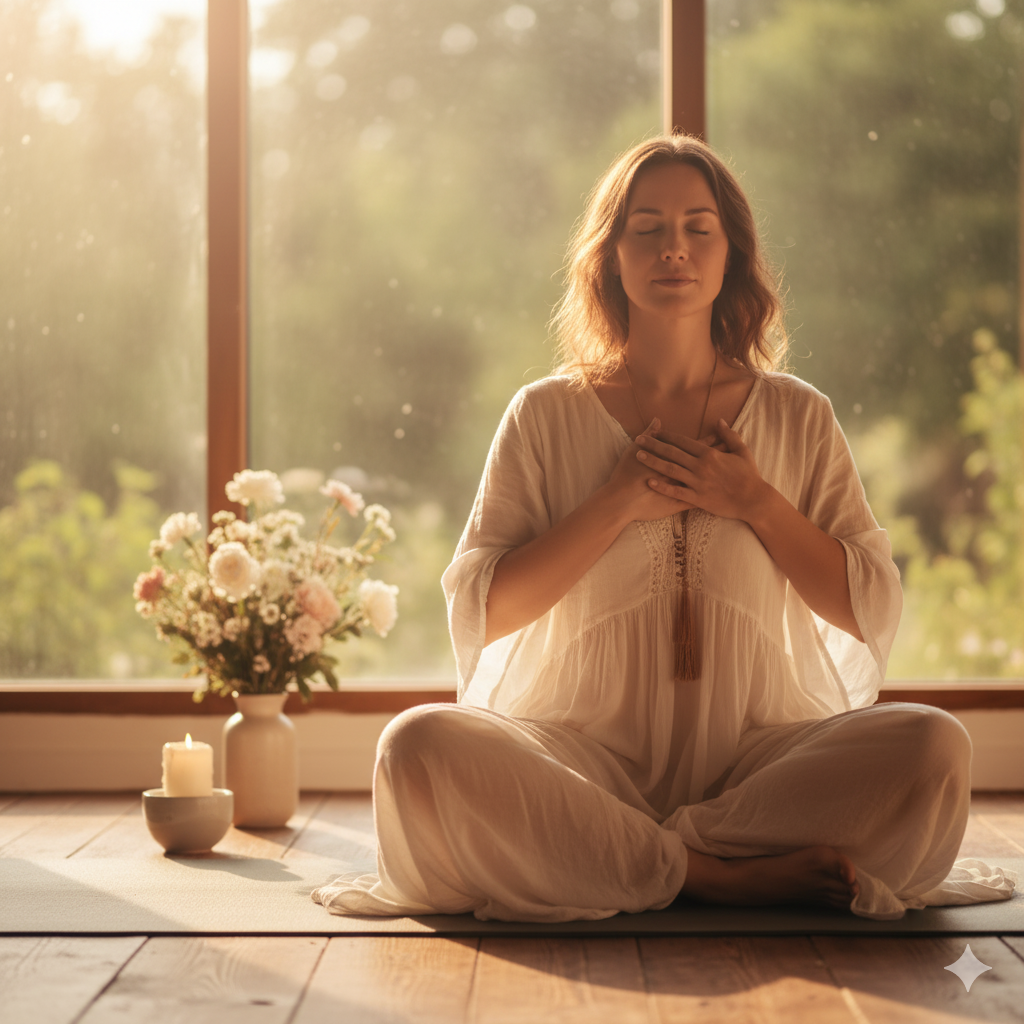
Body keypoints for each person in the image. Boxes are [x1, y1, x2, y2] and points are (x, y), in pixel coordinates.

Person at [313, 134, 1016, 922]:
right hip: (581, 760)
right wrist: (616, 501)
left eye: (697, 228)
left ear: (731, 255)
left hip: (759, 769)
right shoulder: (545, 414)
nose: (672, 249)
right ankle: (711, 873)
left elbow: (867, 607)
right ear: (611, 255)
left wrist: (755, 501)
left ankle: (623, 854)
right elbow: (486, 608)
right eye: (646, 228)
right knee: (417, 746)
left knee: (933, 746)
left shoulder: (797, 414)